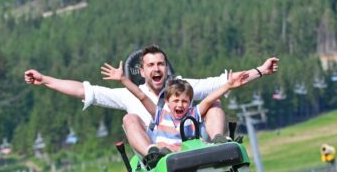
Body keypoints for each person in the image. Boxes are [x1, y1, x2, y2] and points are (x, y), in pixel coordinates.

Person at [24, 45, 279, 155]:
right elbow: (83, 91)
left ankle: (217, 144)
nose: (156, 68)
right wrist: (45, 79)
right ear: (143, 71)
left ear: (166, 68)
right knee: (130, 118)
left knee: (215, 103)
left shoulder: (183, 89)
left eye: (160, 64)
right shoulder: (131, 94)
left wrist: (261, 70)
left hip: (192, 142)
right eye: (150, 65)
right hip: (161, 148)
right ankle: (152, 154)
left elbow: (225, 83)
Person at [101, 61, 250, 164]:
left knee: (215, 104)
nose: (180, 105)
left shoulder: (193, 114)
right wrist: (123, 79)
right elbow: (141, 95)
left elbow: (210, 98)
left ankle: (220, 141)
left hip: (191, 153)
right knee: (155, 144)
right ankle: (153, 154)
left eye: (185, 101)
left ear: (190, 102)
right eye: (176, 101)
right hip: (169, 156)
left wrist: (228, 86)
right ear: (167, 101)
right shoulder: (160, 115)